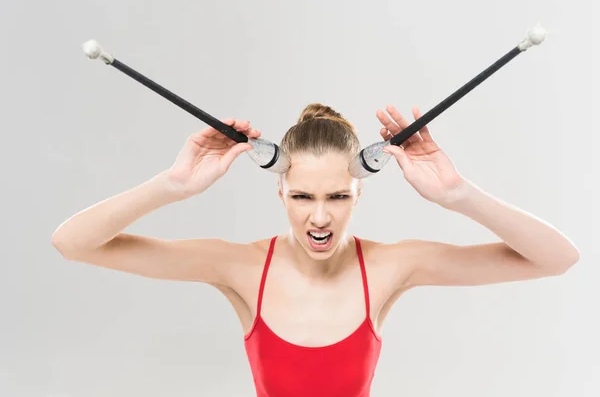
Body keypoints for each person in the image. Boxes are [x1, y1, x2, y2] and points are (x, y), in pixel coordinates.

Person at [51, 102, 579, 396]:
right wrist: (173, 185)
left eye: (338, 196)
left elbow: (556, 259)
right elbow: (72, 244)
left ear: (360, 190)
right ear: (278, 189)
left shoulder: (392, 265)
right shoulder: (238, 266)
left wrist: (459, 195)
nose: (320, 217)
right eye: (302, 195)